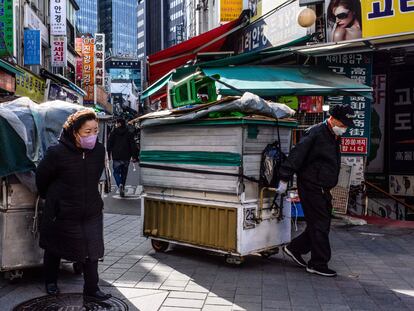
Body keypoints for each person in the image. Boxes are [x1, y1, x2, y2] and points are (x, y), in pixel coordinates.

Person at [36, 110, 111, 300]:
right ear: (74, 131)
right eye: (87, 131)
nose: (92, 135)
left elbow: (95, 176)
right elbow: (41, 178)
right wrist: (54, 198)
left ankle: (92, 289)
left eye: (95, 130)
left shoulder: (99, 150)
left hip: (91, 209)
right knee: (54, 247)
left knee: (92, 250)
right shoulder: (56, 152)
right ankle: (51, 282)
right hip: (62, 211)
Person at [277, 104, 355, 277]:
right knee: (320, 223)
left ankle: (295, 248)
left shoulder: (333, 135)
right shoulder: (316, 133)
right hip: (311, 185)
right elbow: (297, 154)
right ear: (333, 119)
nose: (344, 129)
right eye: (343, 125)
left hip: (322, 187)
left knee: (321, 222)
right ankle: (318, 263)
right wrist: (284, 177)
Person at [107, 118, 138, 197]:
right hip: (126, 157)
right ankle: (122, 186)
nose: (116, 124)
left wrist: (108, 154)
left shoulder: (113, 133)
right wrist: (134, 156)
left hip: (116, 156)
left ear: (119, 124)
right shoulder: (129, 133)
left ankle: (119, 184)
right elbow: (133, 146)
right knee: (124, 173)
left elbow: (109, 144)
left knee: (116, 172)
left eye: (117, 123)